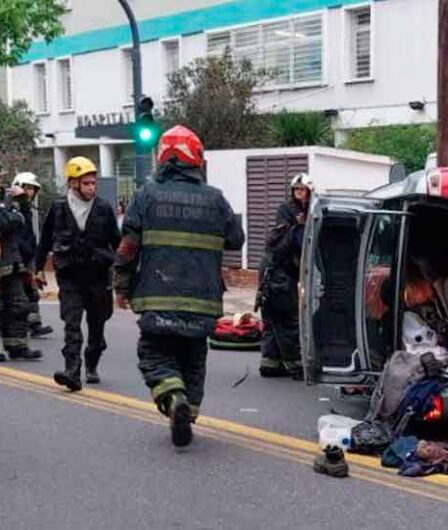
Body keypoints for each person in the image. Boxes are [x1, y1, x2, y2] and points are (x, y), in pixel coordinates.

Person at [114, 125, 244, 447]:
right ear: (196, 159)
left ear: (162, 158)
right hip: (203, 301)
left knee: (155, 354)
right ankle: (191, 410)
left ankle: (174, 398)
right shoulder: (215, 199)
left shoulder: (146, 196)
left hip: (157, 297)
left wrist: (121, 287)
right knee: (193, 357)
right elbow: (236, 239)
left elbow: (128, 248)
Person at [35, 156, 120, 391]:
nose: (91, 187)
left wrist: (124, 269)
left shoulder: (103, 208)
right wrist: (37, 268)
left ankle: (91, 364)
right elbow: (44, 240)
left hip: (98, 276)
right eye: (86, 183)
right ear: (73, 183)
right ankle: (72, 371)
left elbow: (118, 241)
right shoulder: (59, 207)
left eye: (94, 183)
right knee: (71, 324)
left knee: (97, 325)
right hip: (70, 276)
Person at [257, 173, 312, 379]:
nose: (299, 193)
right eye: (296, 190)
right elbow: (298, 244)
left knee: (273, 320)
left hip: (276, 272)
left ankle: (271, 364)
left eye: (302, 189)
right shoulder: (289, 216)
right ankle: (295, 366)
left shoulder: (311, 212)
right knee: (286, 320)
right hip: (278, 275)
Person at [0, 184, 42, 362]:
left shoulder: (5, 198)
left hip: (12, 262)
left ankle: (17, 346)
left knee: (19, 304)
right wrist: (11, 215)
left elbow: (20, 222)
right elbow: (5, 223)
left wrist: (20, 204)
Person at [11, 172, 53, 339]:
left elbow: (29, 234)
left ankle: (34, 324)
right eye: (27, 188)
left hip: (27, 257)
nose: (30, 192)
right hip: (14, 258)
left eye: (32, 189)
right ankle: (18, 329)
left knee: (31, 291)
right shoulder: (12, 207)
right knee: (17, 296)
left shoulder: (27, 208)